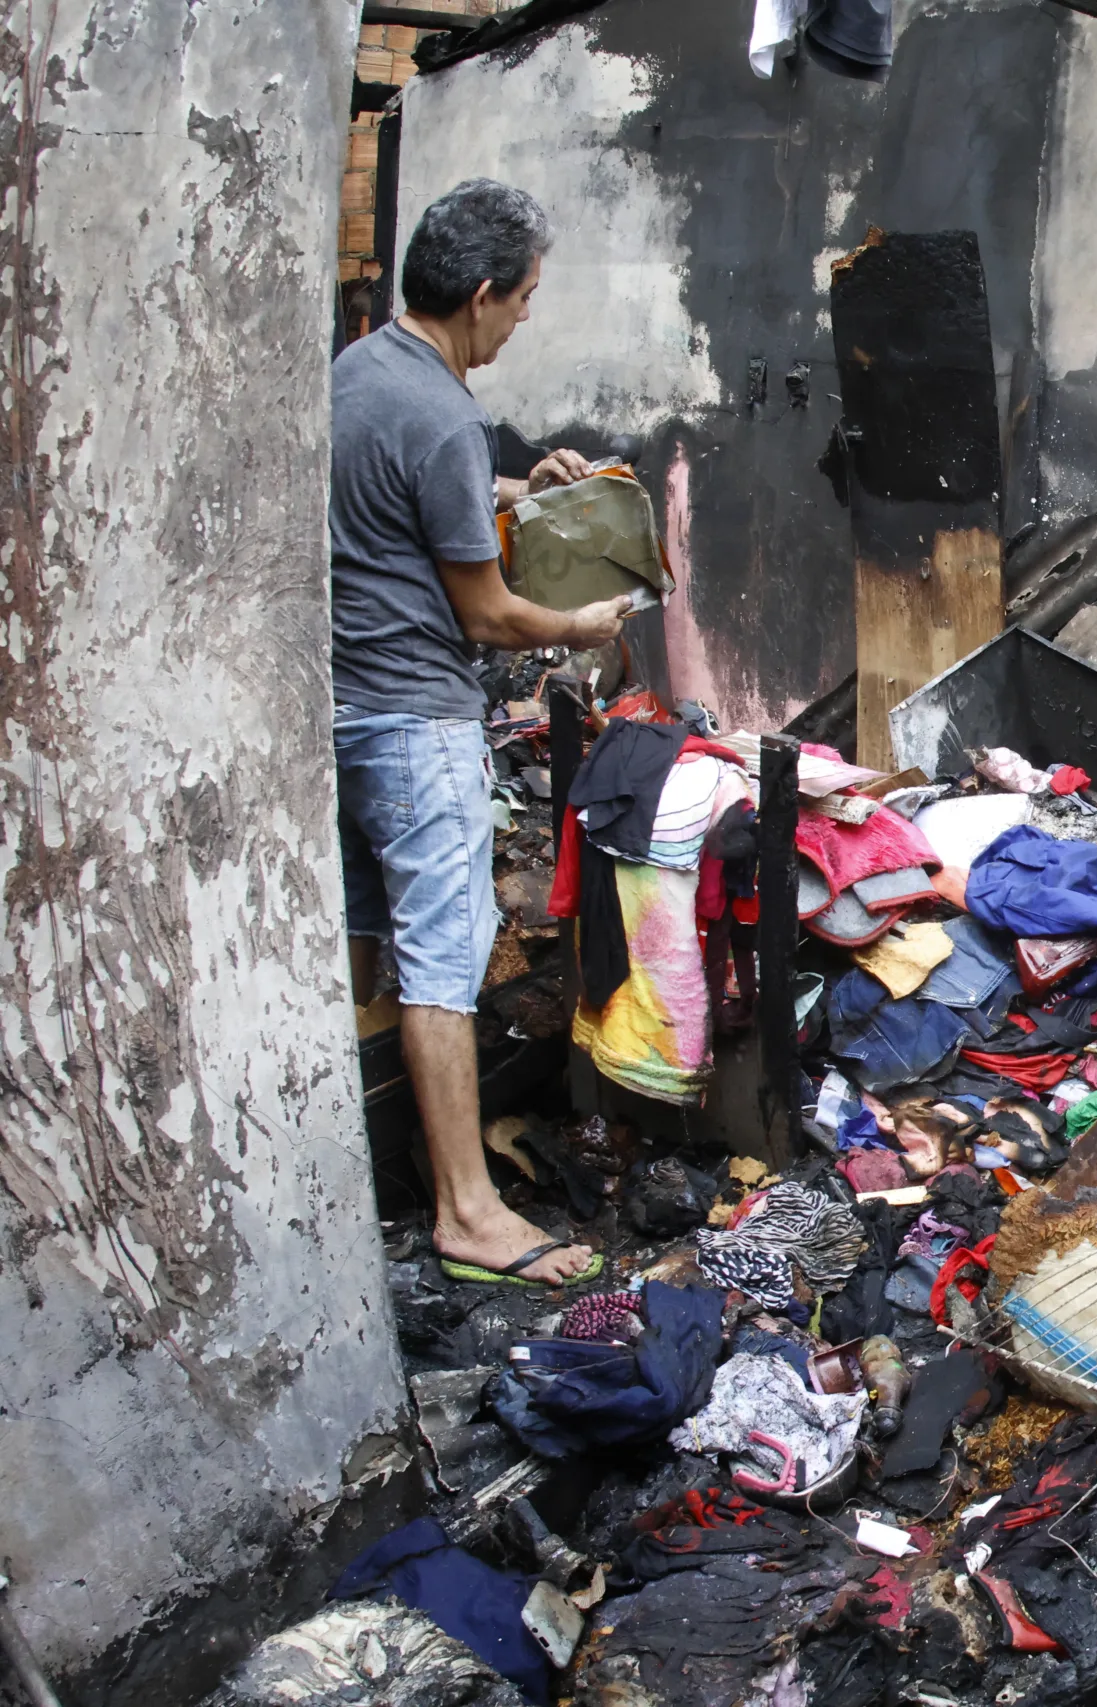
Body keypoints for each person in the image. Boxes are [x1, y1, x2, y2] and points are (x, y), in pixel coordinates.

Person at [331, 179, 628, 1287]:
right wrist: (585, 622)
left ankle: (362, 1156)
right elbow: (490, 613)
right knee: (442, 964)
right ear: (484, 292)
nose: (526, 317)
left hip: (342, 705)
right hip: (415, 719)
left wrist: (515, 482)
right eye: (526, 297)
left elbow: (411, 485)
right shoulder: (445, 409)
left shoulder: (361, 371)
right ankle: (467, 1208)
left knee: (368, 943)